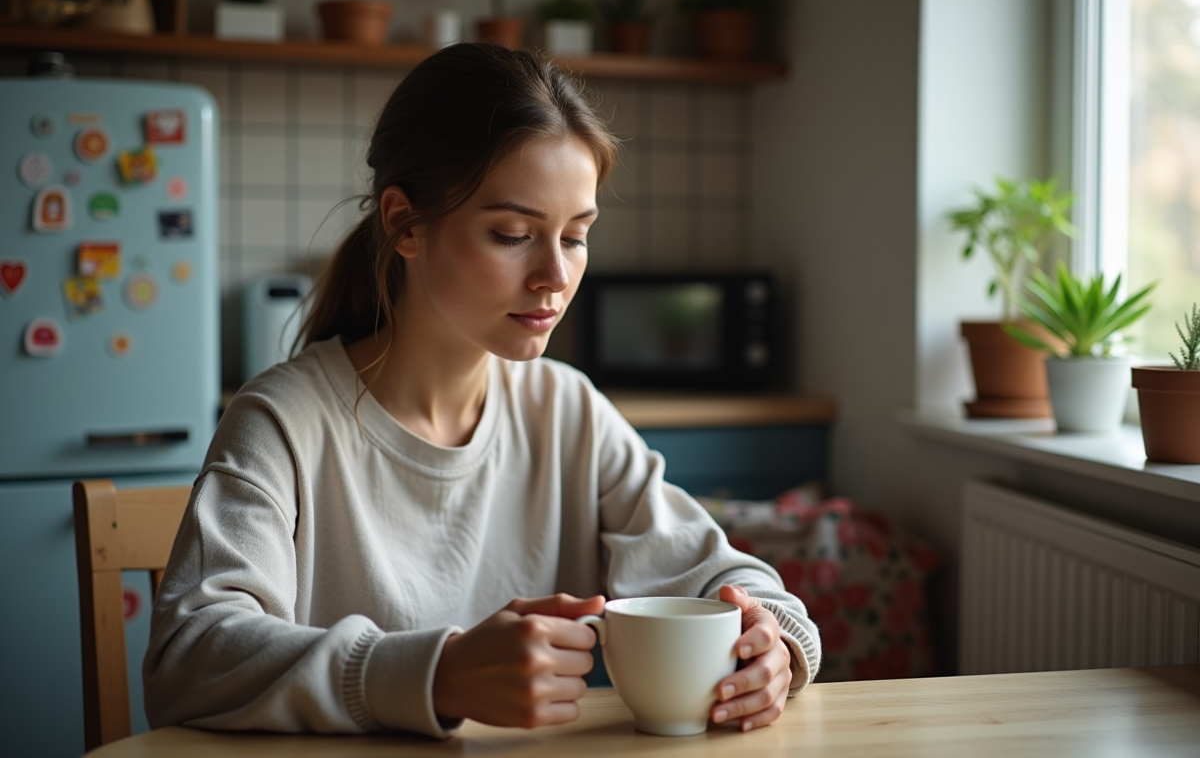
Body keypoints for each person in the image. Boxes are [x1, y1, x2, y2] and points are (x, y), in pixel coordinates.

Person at [144, 42, 821, 739]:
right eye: (513, 234)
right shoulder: (283, 423)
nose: (555, 276)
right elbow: (189, 658)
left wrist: (775, 645)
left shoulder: (569, 412)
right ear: (405, 223)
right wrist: (440, 673)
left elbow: (724, 578)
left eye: (576, 236)